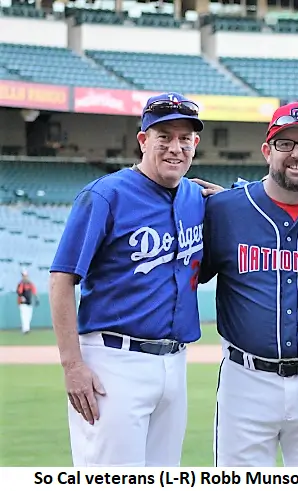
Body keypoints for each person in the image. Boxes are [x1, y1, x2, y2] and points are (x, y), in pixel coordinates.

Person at [199, 102, 298, 467]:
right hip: (246, 378)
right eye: (285, 143)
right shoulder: (225, 210)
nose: (296, 154)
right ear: (267, 151)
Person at [49, 92, 206, 467]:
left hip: (175, 362)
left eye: (185, 139)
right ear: (143, 140)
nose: (175, 147)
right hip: (113, 362)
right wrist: (72, 366)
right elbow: (61, 280)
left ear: (195, 144)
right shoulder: (106, 195)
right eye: (164, 136)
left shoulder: (196, 198)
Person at [16, 269, 39, 334]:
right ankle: (25, 329)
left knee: (29, 316)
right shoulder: (21, 283)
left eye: (25, 275)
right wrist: (21, 298)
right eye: (23, 275)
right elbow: (19, 292)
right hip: (22, 303)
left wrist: (37, 299)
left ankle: (27, 328)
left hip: (29, 302)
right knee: (24, 315)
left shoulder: (30, 283)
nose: (24, 277)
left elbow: (34, 291)